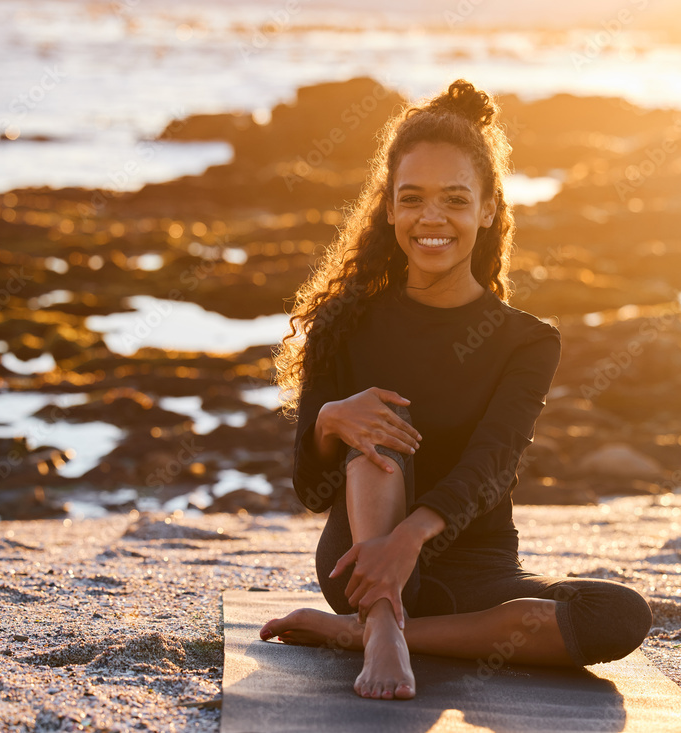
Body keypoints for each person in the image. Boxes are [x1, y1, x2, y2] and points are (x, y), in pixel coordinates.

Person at [262, 79, 652, 701]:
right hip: (360, 561)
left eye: (454, 199)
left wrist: (408, 541)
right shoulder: (345, 322)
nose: (431, 218)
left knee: (618, 617)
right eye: (411, 198)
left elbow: (492, 464)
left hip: (477, 571)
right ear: (388, 208)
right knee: (379, 435)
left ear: (489, 209)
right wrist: (332, 418)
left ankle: (364, 633)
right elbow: (312, 490)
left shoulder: (527, 342)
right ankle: (380, 621)